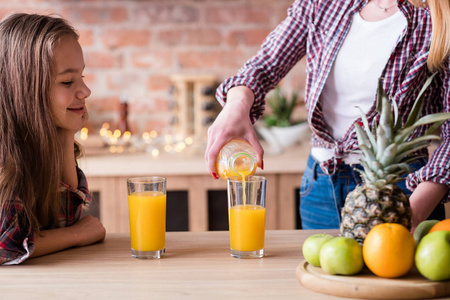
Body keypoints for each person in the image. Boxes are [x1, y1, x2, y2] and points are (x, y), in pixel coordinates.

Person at [205, 0, 450, 231]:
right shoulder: (325, 3)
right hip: (321, 184)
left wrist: (414, 211)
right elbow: (264, 65)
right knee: (323, 273)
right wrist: (237, 102)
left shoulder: (438, 16)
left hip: (405, 188)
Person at [0, 13, 106, 265]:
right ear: (25, 91)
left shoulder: (47, 145)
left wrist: (66, 133)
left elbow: (63, 219)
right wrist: (77, 235)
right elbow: (6, 248)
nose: (86, 91)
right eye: (67, 81)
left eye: (82, 76)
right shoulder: (6, 164)